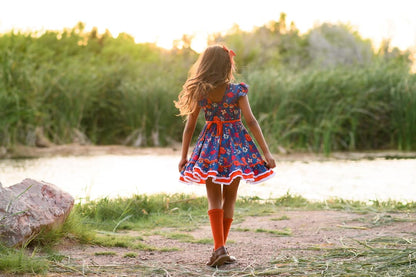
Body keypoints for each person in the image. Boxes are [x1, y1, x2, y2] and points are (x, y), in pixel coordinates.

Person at [174, 45, 276, 267]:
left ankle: (219, 249)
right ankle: (219, 249)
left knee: (214, 198)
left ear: (205, 65)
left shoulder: (200, 92)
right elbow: (251, 121)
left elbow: (189, 127)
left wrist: (184, 156)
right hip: (236, 149)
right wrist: (266, 152)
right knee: (230, 197)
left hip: (209, 149)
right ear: (228, 65)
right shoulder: (237, 91)